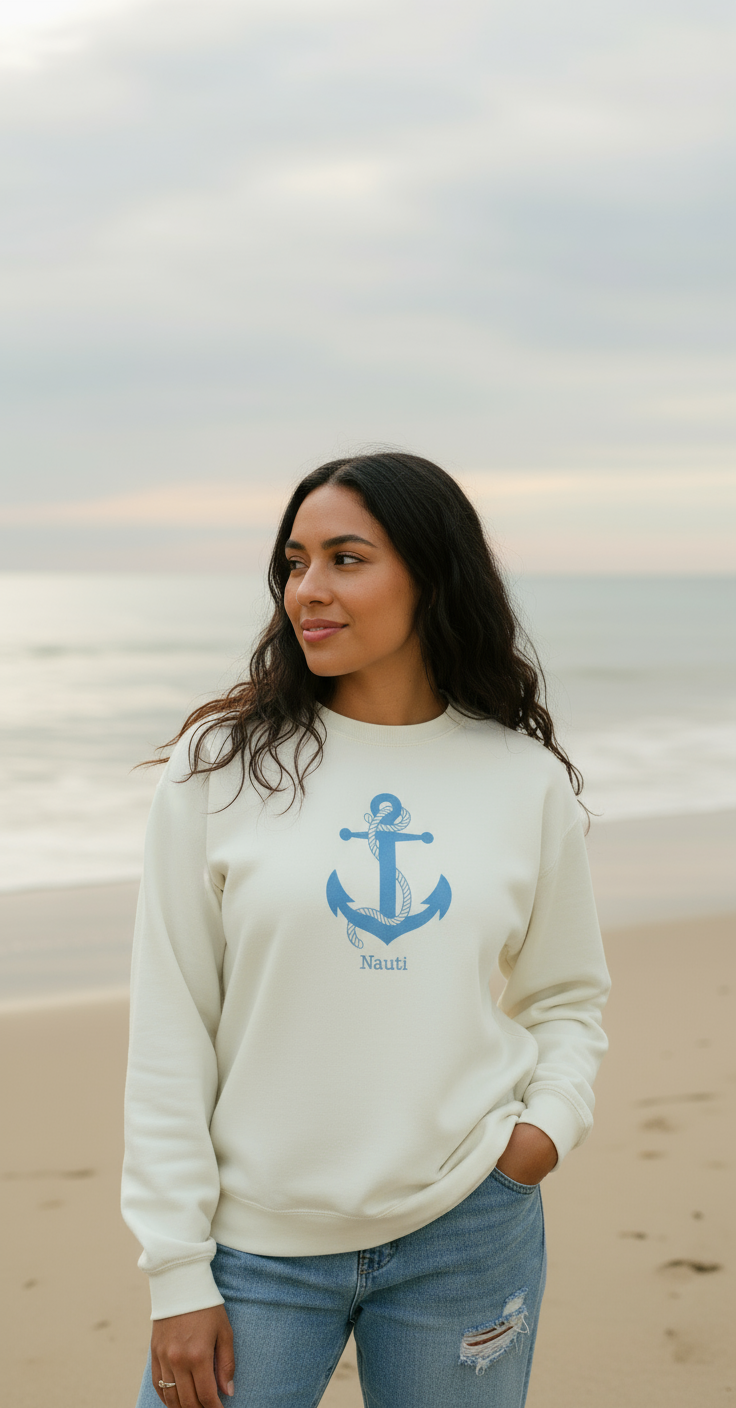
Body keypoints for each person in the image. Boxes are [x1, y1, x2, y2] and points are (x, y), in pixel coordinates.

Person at [123, 451, 610, 1408]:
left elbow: (565, 995)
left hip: (468, 1226)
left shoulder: (522, 779)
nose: (308, 589)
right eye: (294, 562)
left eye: (346, 559)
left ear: (432, 575)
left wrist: (543, 1134)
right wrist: (176, 1269)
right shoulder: (222, 767)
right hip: (255, 1247)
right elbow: (171, 1024)